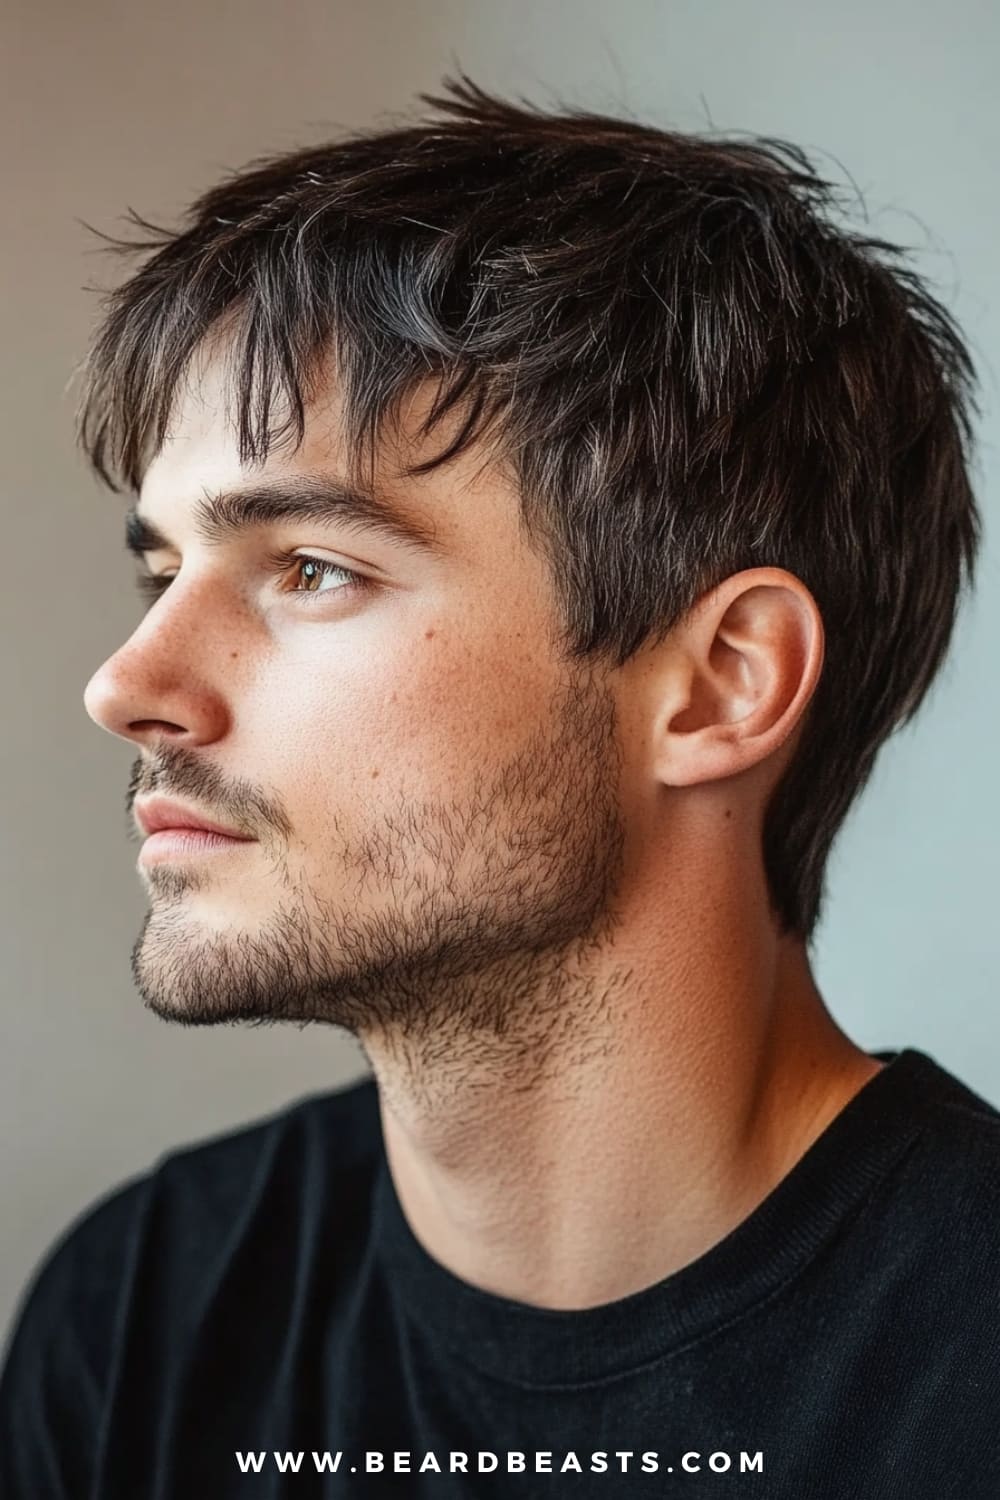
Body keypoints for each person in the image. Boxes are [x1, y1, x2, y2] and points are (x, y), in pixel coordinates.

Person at [1, 71, 996, 1497]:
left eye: (312, 569)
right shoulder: (144, 1320)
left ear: (722, 684)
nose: (126, 684)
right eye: (164, 571)